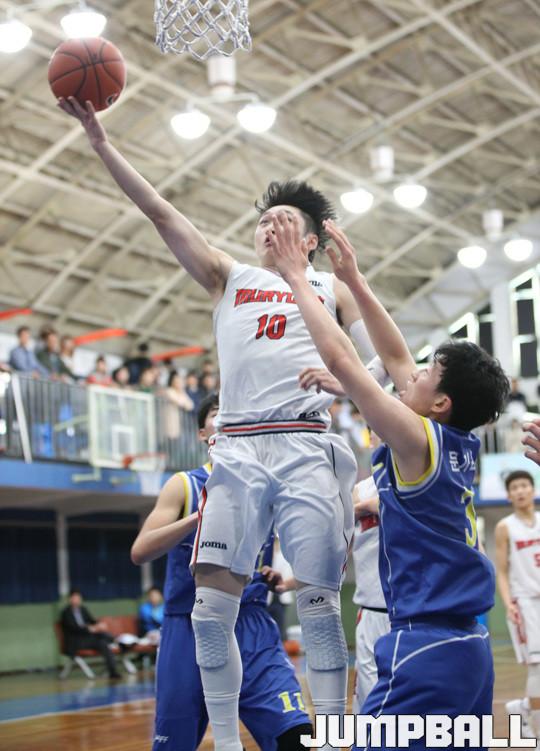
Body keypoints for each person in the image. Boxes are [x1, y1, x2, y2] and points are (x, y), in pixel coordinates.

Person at [58, 96, 377, 751]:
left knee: (318, 602)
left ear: (310, 240)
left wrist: (346, 383)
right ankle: (227, 742)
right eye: (263, 221)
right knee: (209, 610)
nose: (269, 228)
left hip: (306, 442)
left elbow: (381, 370)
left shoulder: (332, 290)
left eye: (283, 221)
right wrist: (100, 142)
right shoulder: (229, 277)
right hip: (238, 447)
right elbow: (160, 211)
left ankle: (332, 734)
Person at [269, 213, 510, 748]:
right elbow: (397, 356)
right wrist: (354, 281)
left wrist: (295, 276)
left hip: (424, 644)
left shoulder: (417, 439)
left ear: (440, 402)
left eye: (427, 374)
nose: (413, 372)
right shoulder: (452, 441)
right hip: (469, 645)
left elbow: (343, 360)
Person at [131, 394, 312, 751]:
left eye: (234, 413)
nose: (227, 419)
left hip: (252, 625)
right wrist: (201, 516)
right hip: (189, 628)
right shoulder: (184, 484)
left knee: (296, 737)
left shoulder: (268, 485)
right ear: (203, 433)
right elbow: (141, 550)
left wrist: (274, 575)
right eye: (217, 413)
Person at [495, 470, 540, 738]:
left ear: (533, 490)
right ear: (509, 495)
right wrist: (508, 603)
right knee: (537, 666)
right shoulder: (505, 527)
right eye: (515, 487)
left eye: (524, 485)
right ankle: (536, 731)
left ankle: (522, 707)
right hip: (525, 602)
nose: (520, 491)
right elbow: (501, 571)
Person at [60, 589, 120, 679]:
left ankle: (113, 671)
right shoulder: (66, 613)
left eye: (79, 598)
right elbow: (74, 628)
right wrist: (89, 629)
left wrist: (99, 625)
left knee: (103, 642)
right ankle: (115, 640)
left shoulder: (83, 609)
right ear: (70, 599)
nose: (77, 600)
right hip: (76, 642)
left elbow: (92, 621)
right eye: (75, 598)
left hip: (87, 639)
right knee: (102, 638)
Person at [164, 371, 194, 440]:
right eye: (176, 381)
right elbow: (180, 403)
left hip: (182, 425)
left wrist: (182, 392)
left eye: (180, 381)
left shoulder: (182, 392)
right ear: (172, 381)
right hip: (171, 423)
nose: (179, 383)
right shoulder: (169, 391)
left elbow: (190, 405)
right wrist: (181, 393)